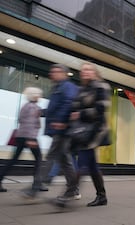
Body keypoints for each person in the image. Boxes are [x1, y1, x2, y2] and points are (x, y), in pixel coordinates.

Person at [23, 64, 79, 199]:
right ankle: (73, 189)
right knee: (65, 160)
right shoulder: (57, 87)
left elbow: (68, 103)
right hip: (59, 129)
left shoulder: (67, 86)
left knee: (51, 157)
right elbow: (55, 108)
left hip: (63, 129)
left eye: (55, 71)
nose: (51, 74)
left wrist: (61, 120)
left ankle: (35, 187)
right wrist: (42, 112)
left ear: (64, 73)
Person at [69, 62, 111, 207]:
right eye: (83, 70)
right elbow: (74, 108)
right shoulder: (82, 90)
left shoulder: (101, 86)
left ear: (94, 72)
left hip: (96, 130)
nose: (85, 72)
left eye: (88, 69)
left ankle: (68, 194)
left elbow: (100, 109)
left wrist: (80, 114)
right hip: (83, 131)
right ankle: (102, 196)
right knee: (92, 166)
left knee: (82, 162)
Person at [0, 87, 47, 192]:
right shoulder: (32, 107)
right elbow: (30, 123)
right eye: (39, 94)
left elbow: (22, 120)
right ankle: (37, 183)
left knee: (14, 159)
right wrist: (30, 139)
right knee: (39, 158)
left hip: (21, 136)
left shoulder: (26, 106)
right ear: (34, 96)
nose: (40, 96)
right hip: (29, 137)